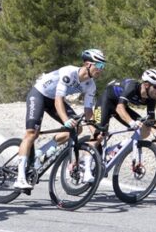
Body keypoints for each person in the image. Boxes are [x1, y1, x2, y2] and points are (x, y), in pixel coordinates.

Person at [13, 49, 105, 192]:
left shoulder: (90, 85)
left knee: (77, 128)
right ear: (87, 64)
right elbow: (58, 101)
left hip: (54, 100)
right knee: (32, 133)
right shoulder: (69, 72)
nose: (101, 70)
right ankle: (19, 178)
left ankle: (41, 151)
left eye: (103, 67)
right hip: (39, 94)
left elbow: (88, 111)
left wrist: (96, 131)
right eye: (99, 66)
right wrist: (65, 120)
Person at [95, 68, 156, 141]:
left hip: (119, 105)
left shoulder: (152, 98)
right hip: (106, 101)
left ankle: (122, 149)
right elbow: (119, 108)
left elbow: (151, 120)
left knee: (145, 129)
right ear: (146, 85)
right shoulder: (132, 87)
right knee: (98, 136)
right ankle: (89, 148)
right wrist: (132, 122)